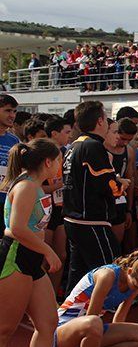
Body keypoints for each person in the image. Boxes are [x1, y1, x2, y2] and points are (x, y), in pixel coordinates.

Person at [0, 139, 77, 347]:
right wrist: (48, 250)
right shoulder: (26, 187)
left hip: (31, 260)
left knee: (47, 324)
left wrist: (42, 251)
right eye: (59, 161)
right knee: (4, 329)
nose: (60, 166)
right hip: (16, 258)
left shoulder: (35, 186)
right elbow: (16, 227)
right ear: (48, 162)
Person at [63, 102, 129, 294]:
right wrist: (122, 185)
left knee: (79, 275)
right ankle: (98, 315)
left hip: (74, 218)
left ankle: (69, 317)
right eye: (106, 119)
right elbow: (110, 187)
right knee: (109, 270)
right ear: (100, 121)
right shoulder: (93, 146)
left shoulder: (74, 145)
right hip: (90, 220)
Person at [42, 117, 70, 297]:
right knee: (43, 259)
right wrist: (56, 186)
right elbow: (31, 184)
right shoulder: (40, 153)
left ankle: (51, 297)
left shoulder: (65, 152)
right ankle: (37, 298)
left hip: (60, 209)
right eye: (66, 132)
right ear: (54, 133)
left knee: (61, 255)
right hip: (43, 211)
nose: (70, 136)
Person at [104, 119, 136, 247]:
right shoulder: (101, 148)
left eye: (129, 140)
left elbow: (130, 179)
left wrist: (129, 210)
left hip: (120, 201)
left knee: (117, 243)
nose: (124, 143)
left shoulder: (128, 151)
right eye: (122, 138)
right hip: (103, 202)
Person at [0, 95, 20, 237]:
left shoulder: (14, 140)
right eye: (7, 111)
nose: (12, 115)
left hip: (6, 203)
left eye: (14, 111)